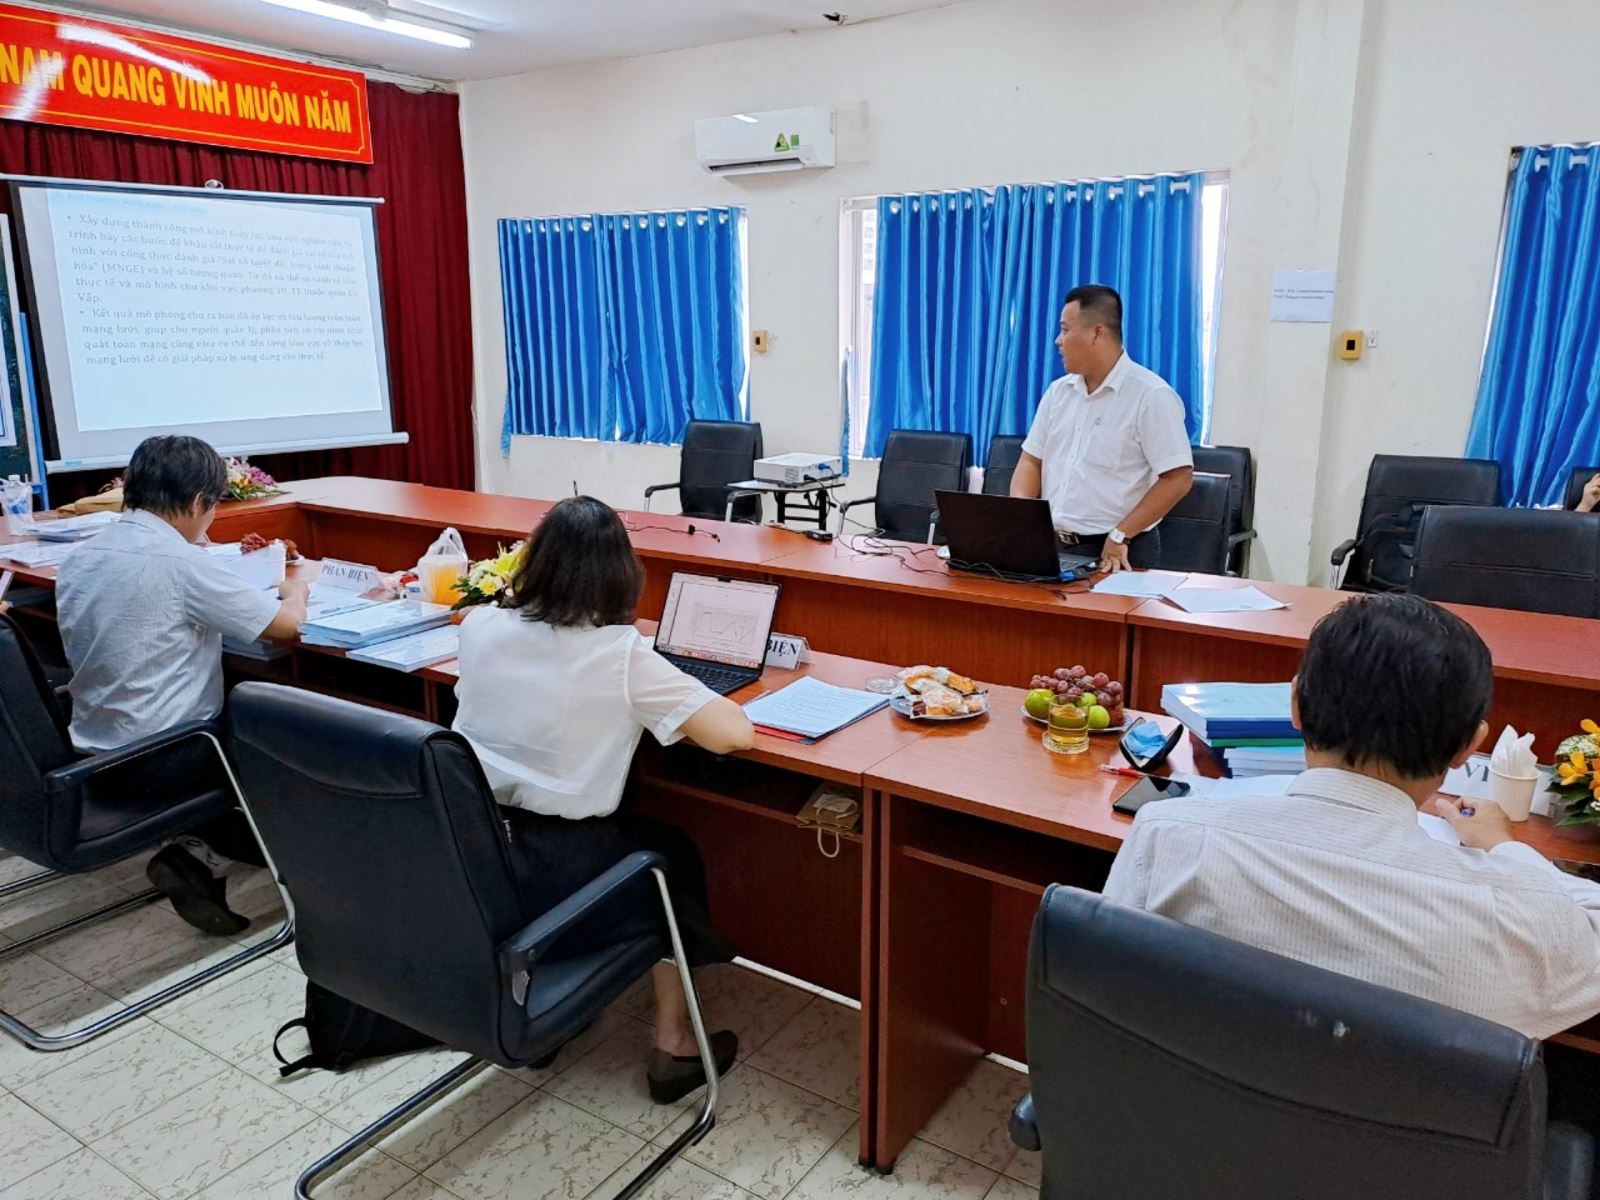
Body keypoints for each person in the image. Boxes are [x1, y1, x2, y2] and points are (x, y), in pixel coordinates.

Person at [1104, 593, 1600, 1155]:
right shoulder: (1519, 915)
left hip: (1187, 1151)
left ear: (1295, 705)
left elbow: (1112, 998)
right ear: (1469, 746)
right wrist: (1503, 848)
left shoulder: (1167, 834)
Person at [452, 495, 754, 1103]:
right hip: (559, 868)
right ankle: (673, 1044)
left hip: (476, 851)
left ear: (534, 563)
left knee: (644, 838)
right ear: (621, 576)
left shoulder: (478, 625)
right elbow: (733, 735)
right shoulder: (620, 655)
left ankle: (543, 1012)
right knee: (670, 857)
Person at [55, 435, 308, 935]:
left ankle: (199, 853)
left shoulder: (84, 555)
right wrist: (295, 590)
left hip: (91, 752)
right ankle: (259, 859)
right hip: (168, 756)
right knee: (291, 727)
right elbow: (286, 627)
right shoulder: (180, 563)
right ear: (197, 503)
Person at [1010, 284, 1194, 571]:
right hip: (1053, 544)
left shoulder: (1151, 396)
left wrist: (1121, 533)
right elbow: (1032, 459)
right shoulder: (1058, 392)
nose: (1058, 341)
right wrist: (1021, 514)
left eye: (1065, 330)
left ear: (1097, 333)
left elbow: (1178, 478)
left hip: (1119, 550)